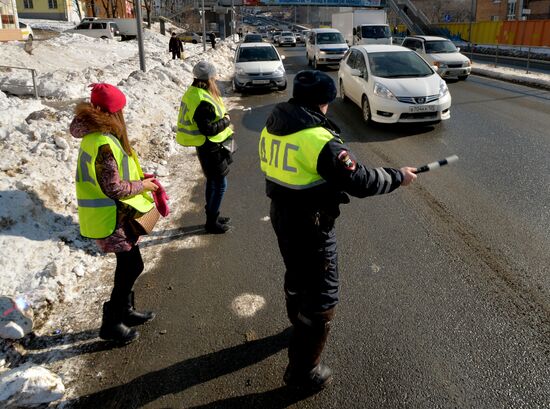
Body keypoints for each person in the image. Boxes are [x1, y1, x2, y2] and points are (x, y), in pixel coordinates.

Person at [259, 70, 417, 390]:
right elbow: (359, 181)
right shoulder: (319, 140)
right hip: (311, 224)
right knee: (321, 298)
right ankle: (303, 371)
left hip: (282, 214)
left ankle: (296, 323)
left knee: (295, 274)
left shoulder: (274, 125)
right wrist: (397, 176)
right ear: (323, 102)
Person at [71, 83, 158, 344]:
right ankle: (111, 323)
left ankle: (125, 311)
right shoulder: (103, 142)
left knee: (130, 265)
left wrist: (139, 178)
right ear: (112, 113)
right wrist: (144, 185)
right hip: (110, 217)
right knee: (132, 266)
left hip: (116, 215)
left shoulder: (97, 135)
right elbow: (113, 187)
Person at [176, 61, 234, 234]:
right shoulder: (202, 100)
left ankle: (213, 216)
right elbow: (208, 129)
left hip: (208, 146)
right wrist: (226, 121)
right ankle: (211, 222)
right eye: (214, 76)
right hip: (211, 148)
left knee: (213, 182)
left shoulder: (195, 92)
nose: (215, 78)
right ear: (209, 78)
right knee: (220, 184)